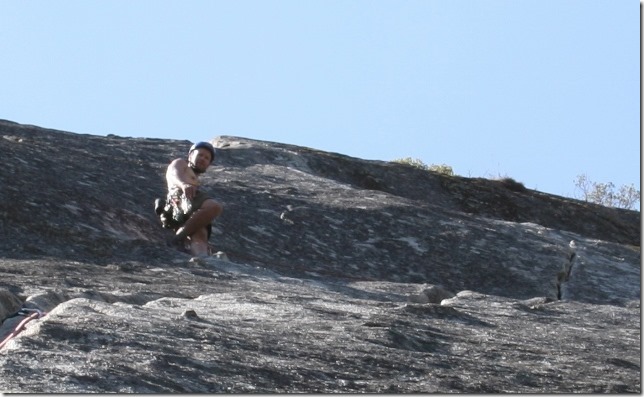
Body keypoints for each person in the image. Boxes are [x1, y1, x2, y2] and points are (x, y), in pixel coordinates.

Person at [155, 141, 223, 257]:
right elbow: (173, 174)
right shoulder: (181, 164)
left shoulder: (195, 180)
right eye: (200, 155)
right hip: (179, 197)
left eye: (207, 158)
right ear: (190, 155)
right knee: (214, 207)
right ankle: (177, 239)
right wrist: (183, 184)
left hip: (187, 205)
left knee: (200, 232)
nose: (203, 159)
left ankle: (202, 258)